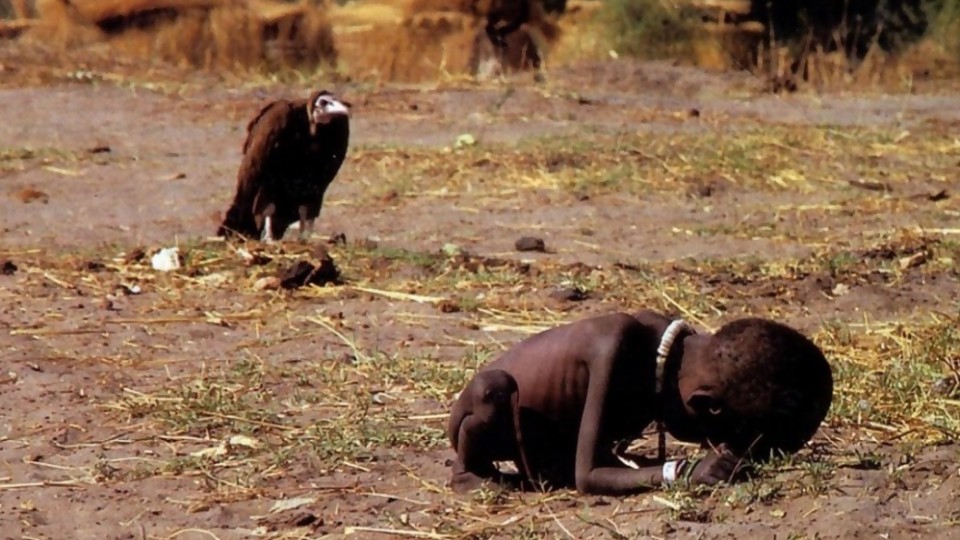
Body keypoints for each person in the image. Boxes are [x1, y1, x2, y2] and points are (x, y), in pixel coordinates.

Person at [447, 310, 833, 495]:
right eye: (713, 439)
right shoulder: (617, 346)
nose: (711, 448)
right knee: (490, 393)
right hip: (493, 418)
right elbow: (588, 476)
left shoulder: (677, 357)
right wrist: (679, 472)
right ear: (705, 405)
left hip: (554, 442)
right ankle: (469, 472)